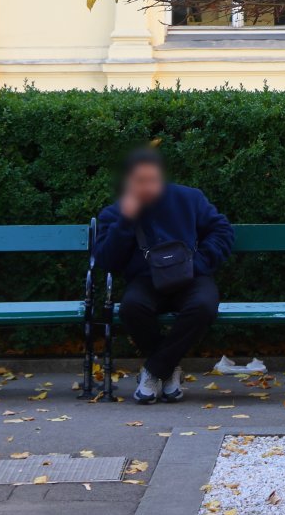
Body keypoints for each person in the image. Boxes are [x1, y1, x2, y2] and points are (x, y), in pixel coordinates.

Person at [95, 147, 235, 404]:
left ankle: (154, 371)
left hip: (192, 277)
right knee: (132, 308)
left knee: (203, 306)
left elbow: (222, 231)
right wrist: (125, 222)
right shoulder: (114, 213)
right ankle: (168, 371)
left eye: (153, 179)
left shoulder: (189, 198)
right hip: (146, 280)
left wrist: (199, 263)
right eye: (140, 181)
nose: (148, 186)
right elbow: (107, 259)